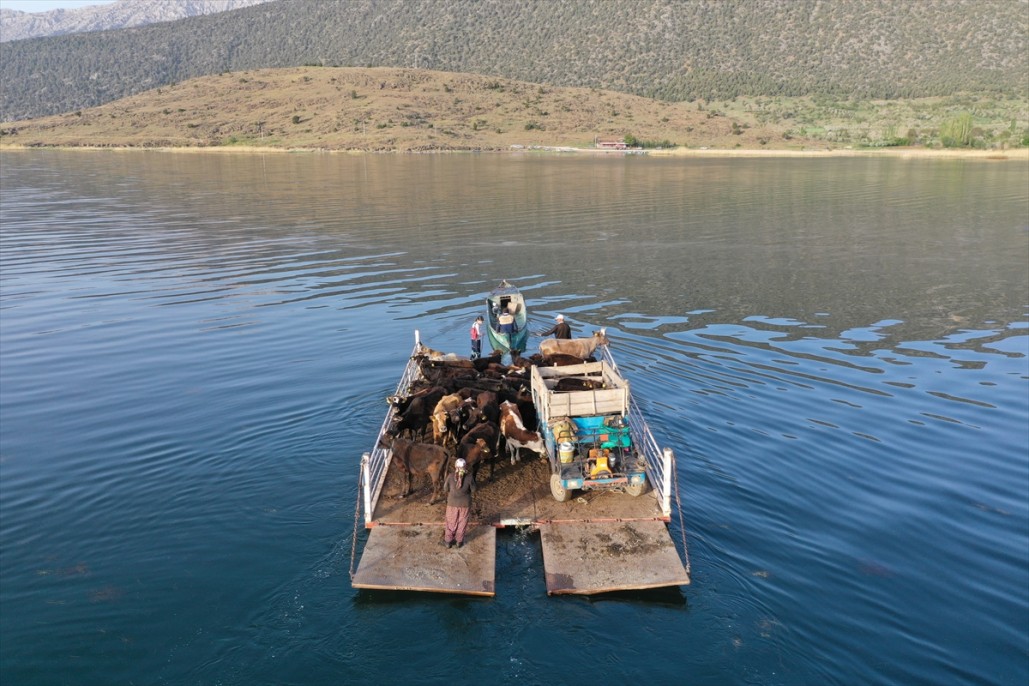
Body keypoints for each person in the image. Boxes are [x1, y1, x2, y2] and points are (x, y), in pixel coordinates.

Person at [443, 458, 476, 549]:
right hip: (465, 504)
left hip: (452, 503)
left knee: (450, 522)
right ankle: (459, 542)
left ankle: (448, 542)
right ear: (465, 466)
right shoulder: (469, 477)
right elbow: (473, 490)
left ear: (455, 466)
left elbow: (445, 489)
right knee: (462, 522)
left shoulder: (450, 476)